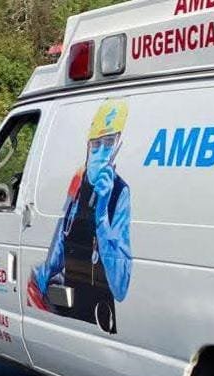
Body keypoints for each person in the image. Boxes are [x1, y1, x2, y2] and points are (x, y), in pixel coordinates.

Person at [27, 100, 133, 335]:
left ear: (118, 145)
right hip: (68, 315)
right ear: (87, 146)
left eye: (108, 143)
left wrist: (102, 213)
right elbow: (58, 249)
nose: (100, 152)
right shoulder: (78, 182)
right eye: (95, 145)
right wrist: (37, 282)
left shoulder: (120, 193)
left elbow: (121, 286)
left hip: (100, 321)